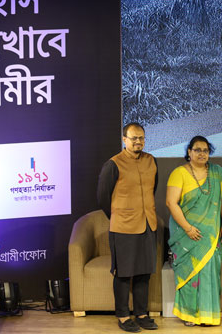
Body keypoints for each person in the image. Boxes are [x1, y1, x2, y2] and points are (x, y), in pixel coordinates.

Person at [97, 122, 159, 333]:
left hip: (148, 224)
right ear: (124, 140)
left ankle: (141, 314)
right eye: (134, 138)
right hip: (123, 227)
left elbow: (153, 189)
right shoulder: (113, 164)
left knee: (144, 272)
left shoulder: (152, 161)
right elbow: (103, 198)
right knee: (123, 274)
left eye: (141, 138)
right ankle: (123, 316)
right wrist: (120, 215)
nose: (138, 142)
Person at [164, 136, 222, 326]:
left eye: (206, 150)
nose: (202, 153)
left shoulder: (218, 173)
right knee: (189, 272)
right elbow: (171, 202)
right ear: (189, 152)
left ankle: (208, 315)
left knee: (209, 273)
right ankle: (190, 315)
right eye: (197, 150)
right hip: (186, 234)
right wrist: (188, 228)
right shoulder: (179, 173)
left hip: (210, 234)